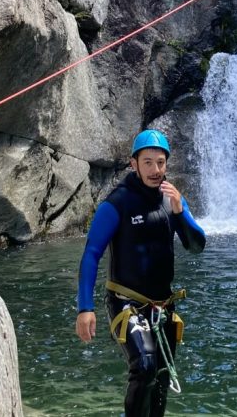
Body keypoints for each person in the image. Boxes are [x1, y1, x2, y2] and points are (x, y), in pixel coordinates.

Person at [76, 129, 206, 417]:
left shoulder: (172, 199)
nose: (155, 170)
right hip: (126, 302)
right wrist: (85, 308)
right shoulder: (117, 203)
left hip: (163, 306)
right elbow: (92, 254)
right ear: (133, 164)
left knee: (160, 378)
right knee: (144, 366)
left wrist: (179, 212)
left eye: (160, 163)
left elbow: (196, 246)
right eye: (147, 162)